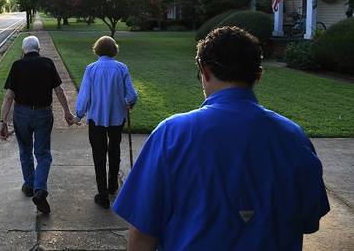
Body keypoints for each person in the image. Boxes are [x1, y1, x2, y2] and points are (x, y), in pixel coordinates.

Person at [113, 26, 330, 251]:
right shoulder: (295, 138)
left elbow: (142, 234)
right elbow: (309, 221)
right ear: (259, 75)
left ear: (204, 71)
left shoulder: (171, 134)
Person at [0, 35, 73, 214]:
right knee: (43, 153)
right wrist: (66, 111)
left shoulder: (17, 65)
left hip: (21, 114)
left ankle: (29, 185)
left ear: (23, 50)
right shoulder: (47, 63)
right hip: (43, 113)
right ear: (39, 49)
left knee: (25, 150)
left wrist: (3, 121)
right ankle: (40, 190)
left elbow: (9, 95)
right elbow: (59, 90)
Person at [73, 36, 137, 209]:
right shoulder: (121, 68)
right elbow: (131, 95)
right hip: (117, 118)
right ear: (114, 50)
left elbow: (84, 95)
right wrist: (130, 103)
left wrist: (78, 115)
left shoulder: (91, 69)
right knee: (114, 150)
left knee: (99, 155)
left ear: (97, 50)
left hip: (96, 119)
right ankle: (112, 185)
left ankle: (103, 195)